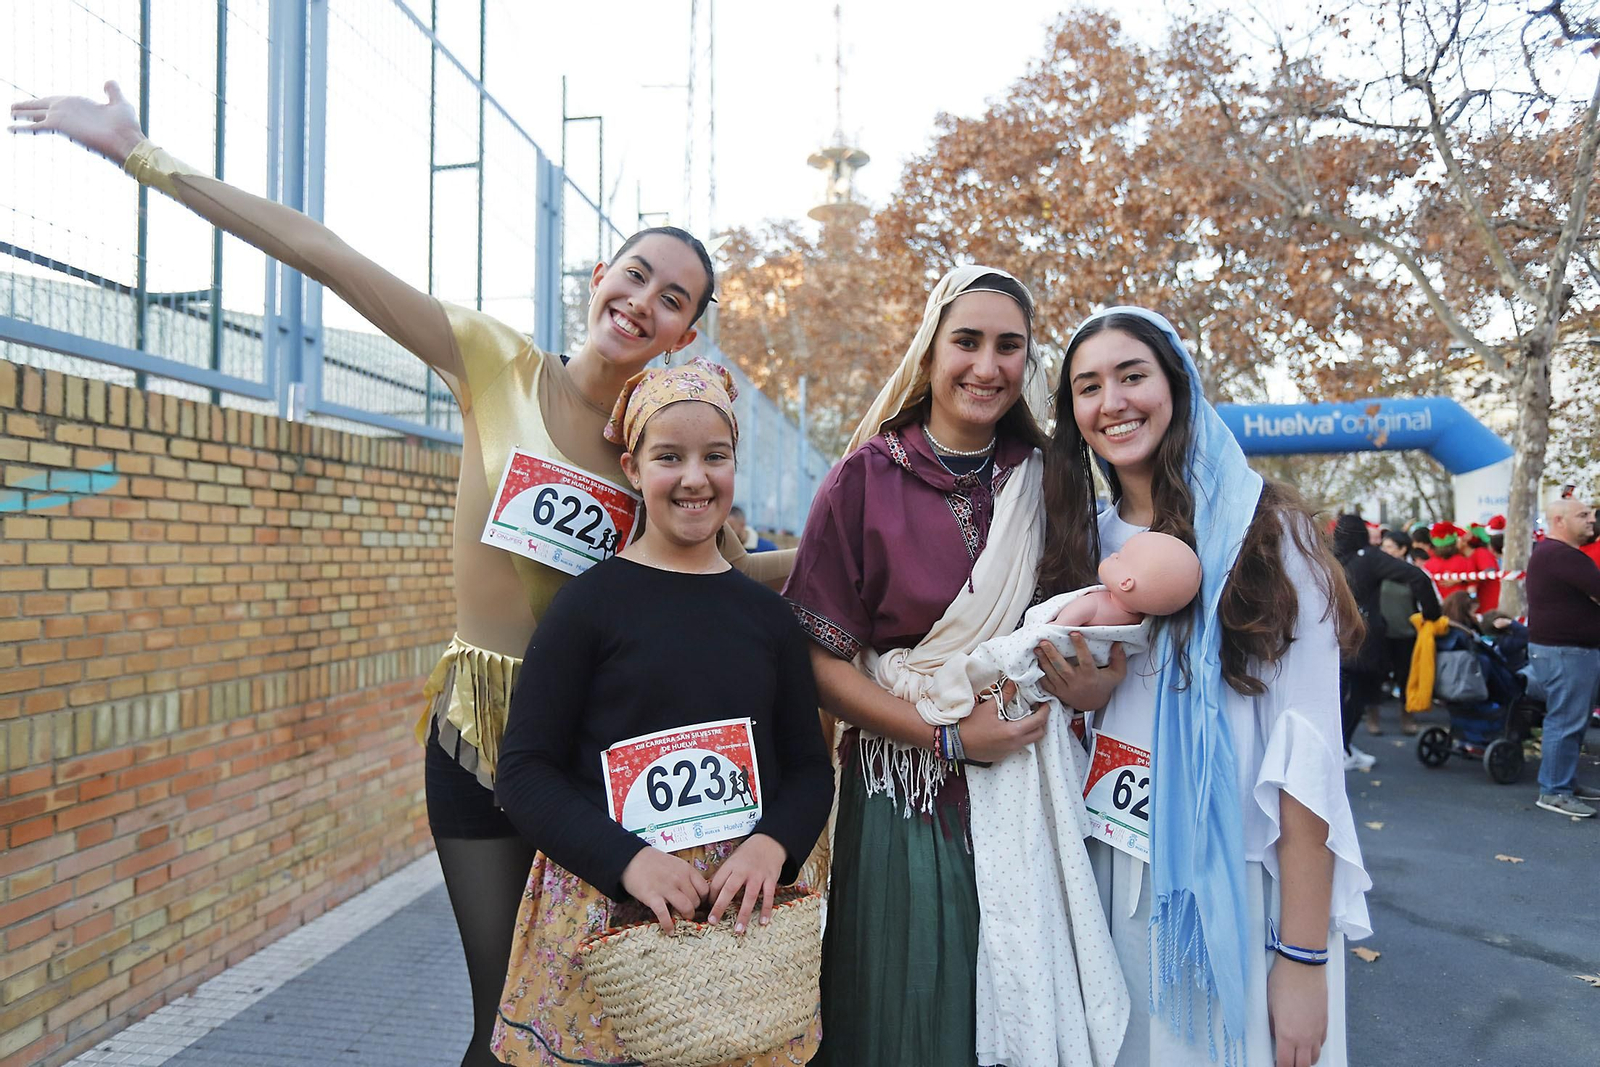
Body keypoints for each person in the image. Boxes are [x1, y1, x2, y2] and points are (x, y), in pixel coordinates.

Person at [9, 83, 790, 1067]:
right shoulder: (492, 362)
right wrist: (141, 154)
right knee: (497, 1017)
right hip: (474, 726)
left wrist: (871, 551)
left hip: (597, 741)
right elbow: (330, 257)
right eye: (634, 276)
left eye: (671, 298)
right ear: (599, 276)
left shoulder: (659, 446)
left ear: (685, 331)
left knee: (601, 1011)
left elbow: (737, 576)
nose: (642, 302)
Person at [784, 267, 1127, 1067]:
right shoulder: (863, 480)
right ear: (930, 350)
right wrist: (945, 739)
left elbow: (1093, 637)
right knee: (911, 1008)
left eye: (1010, 346)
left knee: (1018, 1009)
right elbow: (820, 665)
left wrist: (1090, 686)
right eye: (966, 341)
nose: (987, 365)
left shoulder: (1057, 480)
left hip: (1030, 780)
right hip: (903, 784)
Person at [1036, 307, 1372, 1067]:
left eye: (1132, 375)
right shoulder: (1080, 540)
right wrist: (1083, 705)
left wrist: (1303, 958)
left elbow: (1309, 763)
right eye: (1088, 386)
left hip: (1241, 890)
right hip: (1116, 879)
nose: (1112, 401)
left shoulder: (1269, 536)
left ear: (1177, 386)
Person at [490, 361, 833, 1064]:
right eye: (668, 457)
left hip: (735, 925)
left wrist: (774, 843)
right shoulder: (586, 607)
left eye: (716, 456)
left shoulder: (767, 619)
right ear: (633, 465)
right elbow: (524, 772)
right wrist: (629, 862)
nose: (695, 477)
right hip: (608, 919)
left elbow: (807, 767)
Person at [1524, 496, 1600, 818]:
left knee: (1572, 720)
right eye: (1582, 515)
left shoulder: (1553, 554)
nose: (1591, 520)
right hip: (1566, 653)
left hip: (1565, 651)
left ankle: (1563, 781)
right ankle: (1554, 789)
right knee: (1565, 721)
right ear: (1559, 521)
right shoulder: (1562, 556)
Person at [1335, 518, 1440, 743]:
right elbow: (1418, 577)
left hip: (1329, 634)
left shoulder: (1326, 558)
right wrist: (1432, 614)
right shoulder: (1370, 559)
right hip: (1364, 635)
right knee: (1358, 694)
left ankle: (1341, 747)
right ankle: (1343, 747)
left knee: (1337, 696)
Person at [1422, 523, 1477, 600]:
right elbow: (1472, 589)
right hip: (1461, 606)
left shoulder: (1428, 565)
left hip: (1438, 607)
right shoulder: (1465, 562)